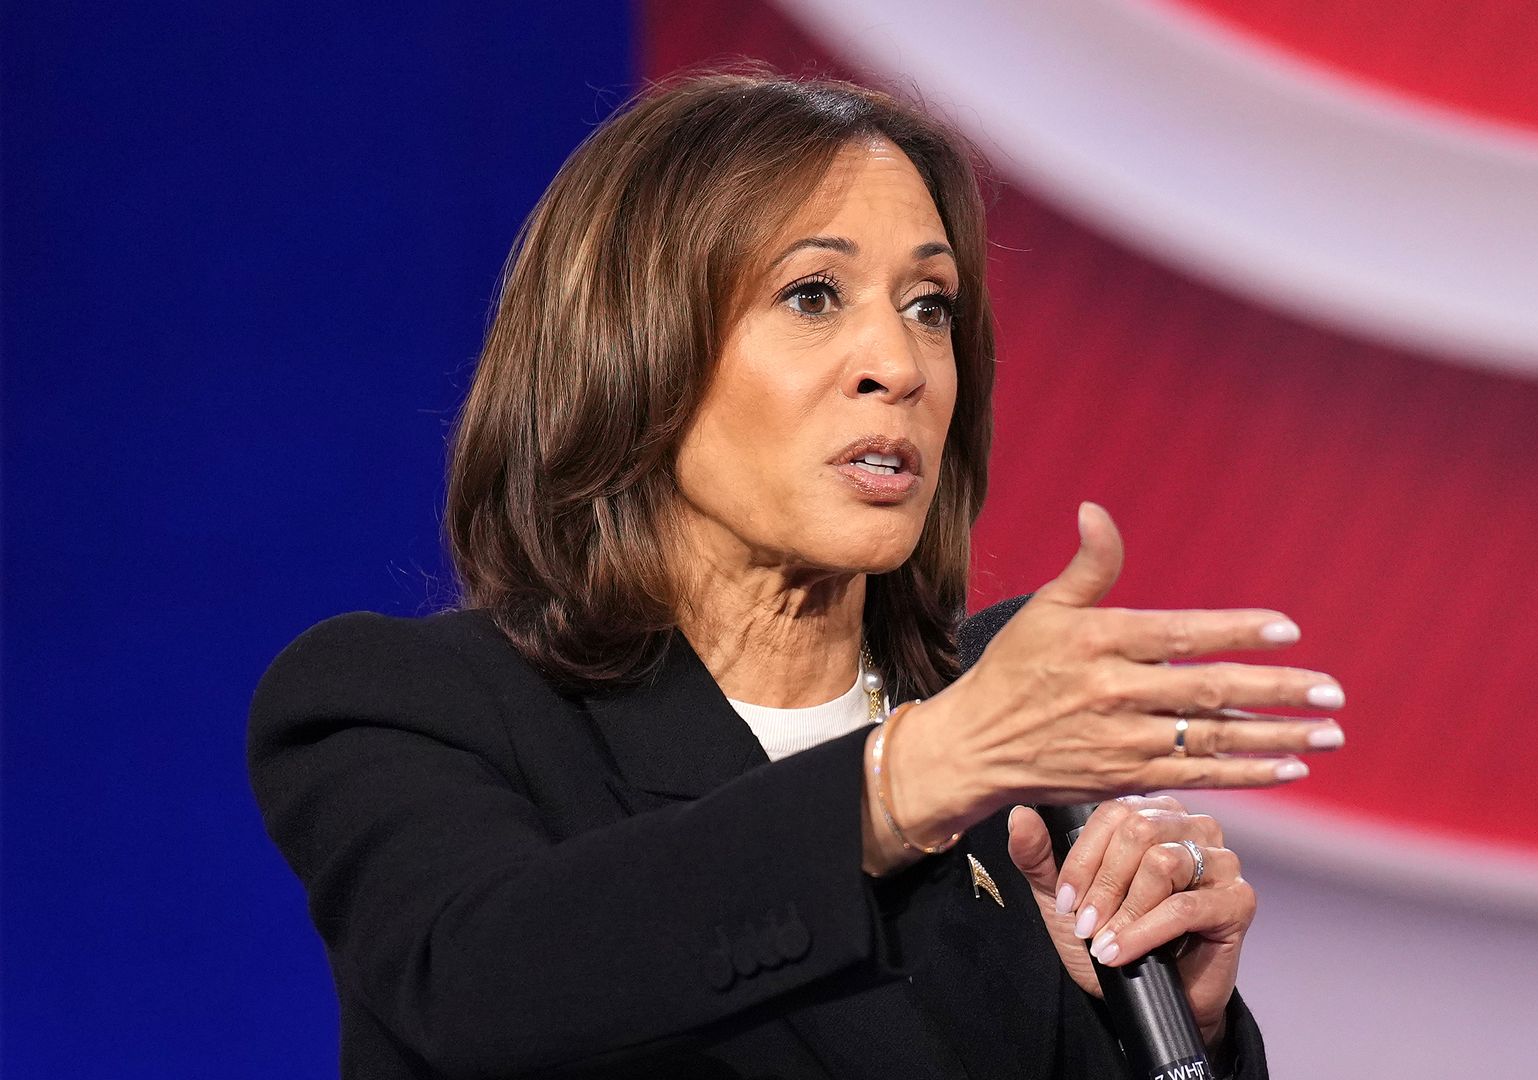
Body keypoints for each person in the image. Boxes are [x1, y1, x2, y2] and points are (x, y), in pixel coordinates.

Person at [248, 69, 1347, 1079]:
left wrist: (1177, 1032)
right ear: (635, 349)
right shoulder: (411, 707)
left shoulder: (1004, 762)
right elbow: (483, 987)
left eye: (930, 306)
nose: (900, 365)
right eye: (814, 295)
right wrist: (906, 777)